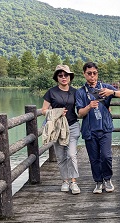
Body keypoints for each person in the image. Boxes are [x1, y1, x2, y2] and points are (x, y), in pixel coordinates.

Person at [76, 62, 120, 193]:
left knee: (106, 156)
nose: (92, 76)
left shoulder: (105, 88)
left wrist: (112, 92)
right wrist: (89, 106)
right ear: (84, 74)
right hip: (89, 130)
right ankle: (98, 182)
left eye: (94, 73)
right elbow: (80, 113)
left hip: (105, 128)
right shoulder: (80, 92)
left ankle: (108, 179)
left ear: (97, 73)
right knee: (94, 158)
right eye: (89, 73)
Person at [41, 65, 81, 194]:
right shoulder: (51, 92)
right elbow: (44, 111)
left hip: (73, 126)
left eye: (66, 75)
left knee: (71, 154)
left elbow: (81, 109)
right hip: (57, 128)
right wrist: (57, 112)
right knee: (60, 156)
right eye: (60, 75)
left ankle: (73, 182)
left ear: (70, 77)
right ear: (57, 78)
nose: (63, 77)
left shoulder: (76, 92)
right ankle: (65, 180)